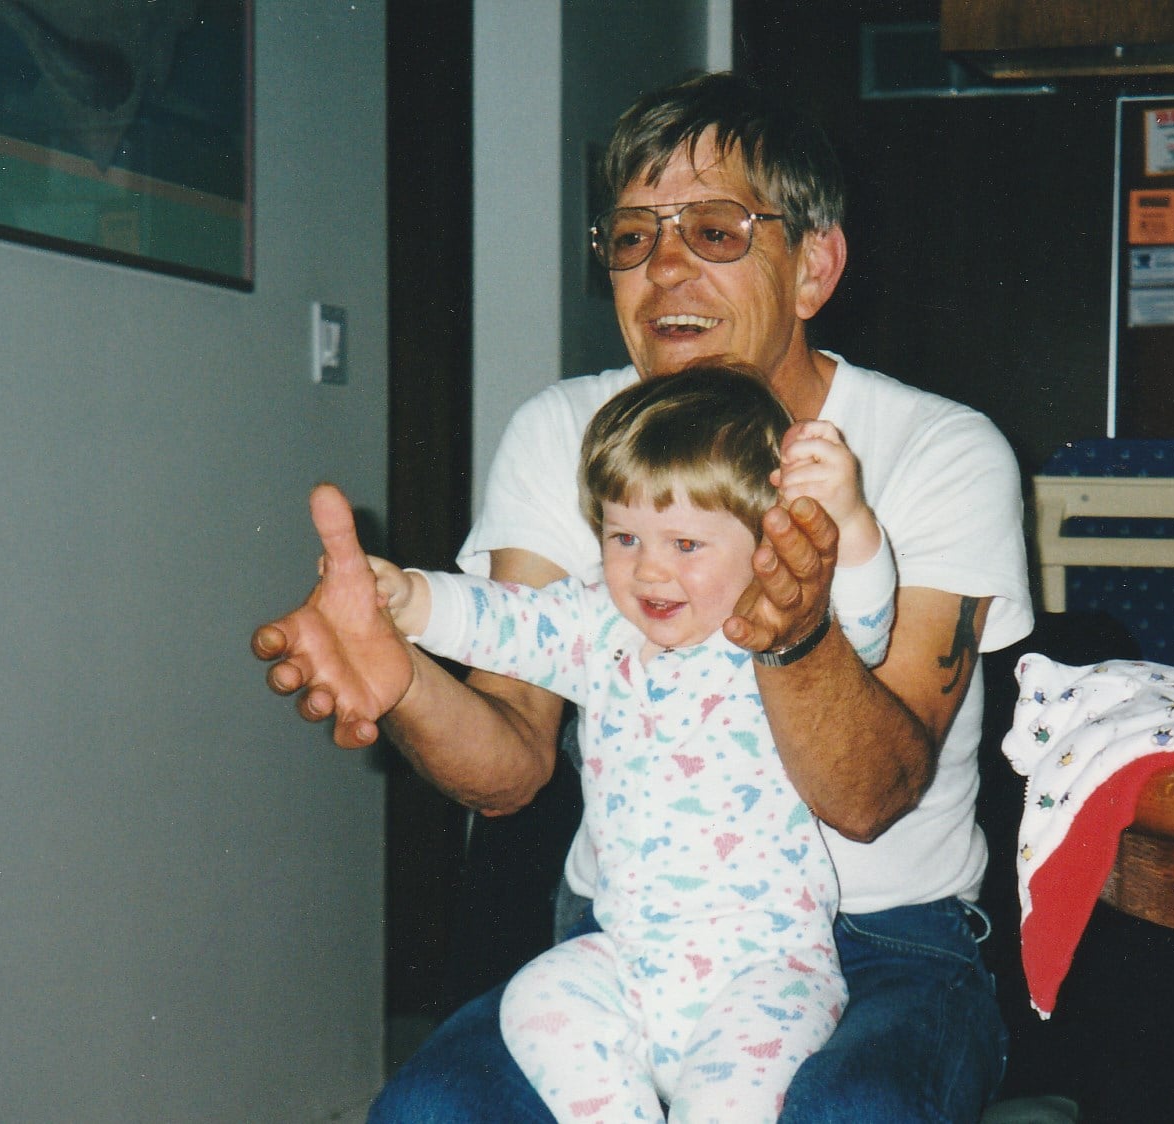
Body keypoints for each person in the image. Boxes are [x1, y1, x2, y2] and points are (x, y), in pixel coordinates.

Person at [253, 71, 1034, 1122]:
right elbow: (512, 766)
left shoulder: (937, 450)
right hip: (631, 932)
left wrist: (794, 636)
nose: (662, 268)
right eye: (631, 237)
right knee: (430, 1110)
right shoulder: (567, 433)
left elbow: (868, 797)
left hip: (888, 939)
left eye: (713, 230)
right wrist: (402, 679)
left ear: (813, 266)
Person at [372, 366, 893, 1122]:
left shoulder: (772, 632)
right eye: (624, 537)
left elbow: (870, 625)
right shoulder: (598, 629)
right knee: (538, 997)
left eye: (685, 542)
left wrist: (849, 518)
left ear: (766, 542)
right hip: (628, 956)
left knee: (727, 1105)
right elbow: (504, 620)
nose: (649, 569)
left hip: (768, 972)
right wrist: (408, 600)